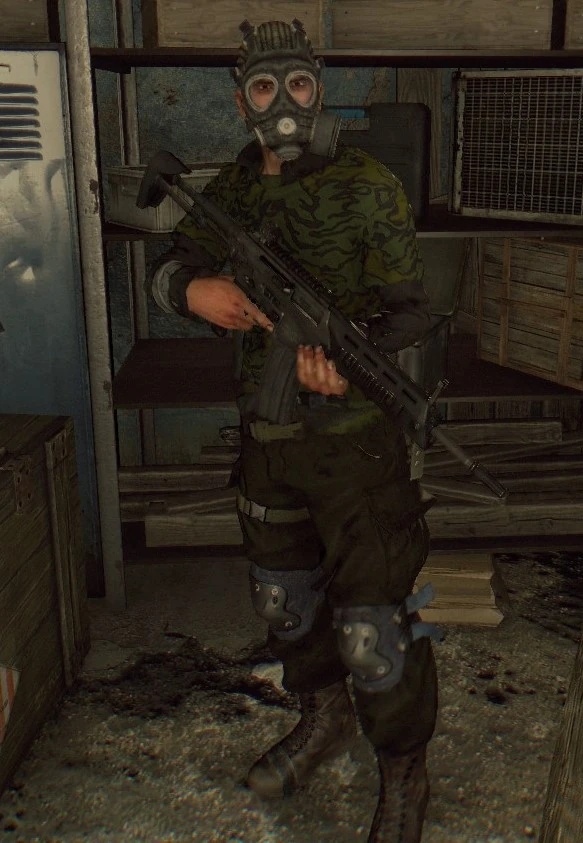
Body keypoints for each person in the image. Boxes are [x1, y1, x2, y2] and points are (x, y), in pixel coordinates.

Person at [148, 18, 438, 842]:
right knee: (285, 603)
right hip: (268, 439)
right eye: (265, 87)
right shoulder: (229, 190)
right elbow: (170, 263)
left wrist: (349, 360)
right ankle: (323, 719)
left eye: (299, 84)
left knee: (372, 627)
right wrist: (191, 291)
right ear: (242, 101)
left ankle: (404, 772)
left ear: (320, 89)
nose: (284, 103)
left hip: (356, 449)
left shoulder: (367, 185)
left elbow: (412, 311)